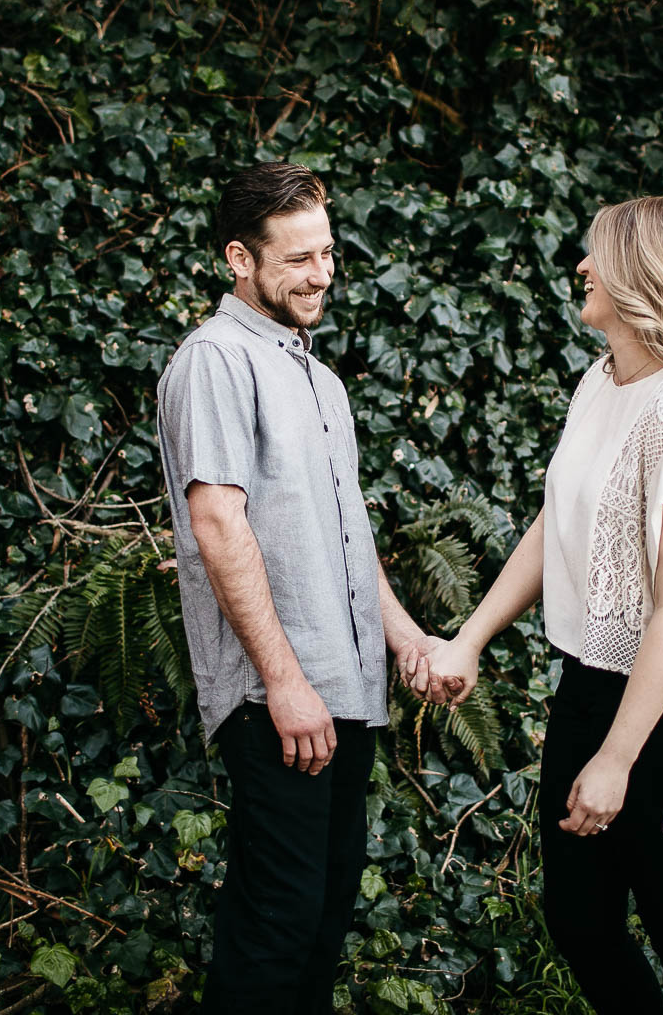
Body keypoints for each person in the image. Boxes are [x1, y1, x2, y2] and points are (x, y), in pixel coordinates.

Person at [420, 196, 663, 1014]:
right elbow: (559, 523)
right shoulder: (603, 381)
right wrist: (469, 638)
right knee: (578, 917)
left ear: (646, 278)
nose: (580, 267)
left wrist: (617, 759)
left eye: (598, 257)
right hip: (592, 676)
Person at [155, 161, 448, 1015]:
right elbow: (217, 525)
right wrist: (284, 682)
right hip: (279, 699)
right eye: (297, 260)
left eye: (328, 253)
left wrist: (407, 641)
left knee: (318, 925)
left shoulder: (320, 381)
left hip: (345, 697)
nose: (321, 275)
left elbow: (348, 541)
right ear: (238, 259)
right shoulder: (214, 360)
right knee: (273, 933)